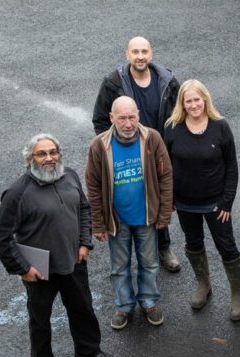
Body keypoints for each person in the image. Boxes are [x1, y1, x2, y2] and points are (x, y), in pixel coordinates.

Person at [0, 134, 115, 357]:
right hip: (40, 270)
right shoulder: (17, 193)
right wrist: (23, 268)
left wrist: (84, 243)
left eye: (53, 151)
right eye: (42, 153)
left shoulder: (69, 175)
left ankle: (88, 351)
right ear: (30, 159)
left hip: (73, 261)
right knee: (40, 319)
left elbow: (83, 208)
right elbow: (1, 236)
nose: (49, 158)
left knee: (83, 309)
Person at [92, 36, 181, 273]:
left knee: (158, 196)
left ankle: (163, 248)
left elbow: (180, 114)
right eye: (135, 52)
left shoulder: (167, 81)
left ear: (151, 53)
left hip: (157, 149)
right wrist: (113, 146)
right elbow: (100, 118)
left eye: (144, 51)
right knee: (130, 195)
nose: (140, 56)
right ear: (127, 54)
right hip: (129, 149)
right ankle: (125, 255)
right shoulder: (113, 82)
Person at [86, 96, 173, 330]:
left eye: (131, 117)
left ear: (138, 116)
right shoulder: (99, 145)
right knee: (119, 267)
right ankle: (124, 306)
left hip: (146, 218)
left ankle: (149, 302)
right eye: (122, 118)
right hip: (117, 221)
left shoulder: (152, 139)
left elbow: (166, 177)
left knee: (150, 263)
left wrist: (164, 213)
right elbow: (93, 187)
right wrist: (98, 224)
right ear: (112, 118)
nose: (127, 123)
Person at [164, 80, 240, 321]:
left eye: (197, 100)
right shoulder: (172, 127)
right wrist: (170, 199)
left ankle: (237, 295)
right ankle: (204, 285)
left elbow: (232, 166)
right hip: (185, 203)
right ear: (182, 103)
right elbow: (165, 166)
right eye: (188, 101)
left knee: (227, 247)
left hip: (216, 204)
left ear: (205, 100)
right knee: (193, 243)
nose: (193, 105)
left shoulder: (220, 126)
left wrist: (227, 202)